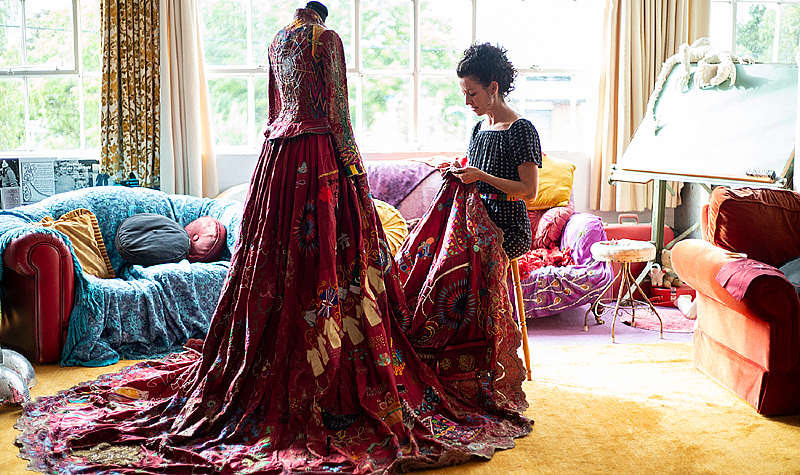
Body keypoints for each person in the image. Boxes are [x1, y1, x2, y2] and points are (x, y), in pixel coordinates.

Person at [15, 5, 530, 474]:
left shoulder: (276, 41)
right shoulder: (325, 41)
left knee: (276, 267)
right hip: (320, 162)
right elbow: (339, 119)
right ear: (324, 13)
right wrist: (354, 175)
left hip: (280, 163)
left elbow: (271, 112)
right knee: (331, 263)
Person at [396, 43, 540, 397]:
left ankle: (470, 363)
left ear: (493, 87)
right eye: (464, 93)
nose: (467, 102)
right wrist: (456, 170)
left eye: (472, 93)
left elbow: (528, 191)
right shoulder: (480, 129)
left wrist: (481, 177)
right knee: (424, 260)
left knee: (454, 267)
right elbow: (474, 175)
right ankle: (433, 355)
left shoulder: (521, 130)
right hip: (475, 222)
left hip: (507, 227)